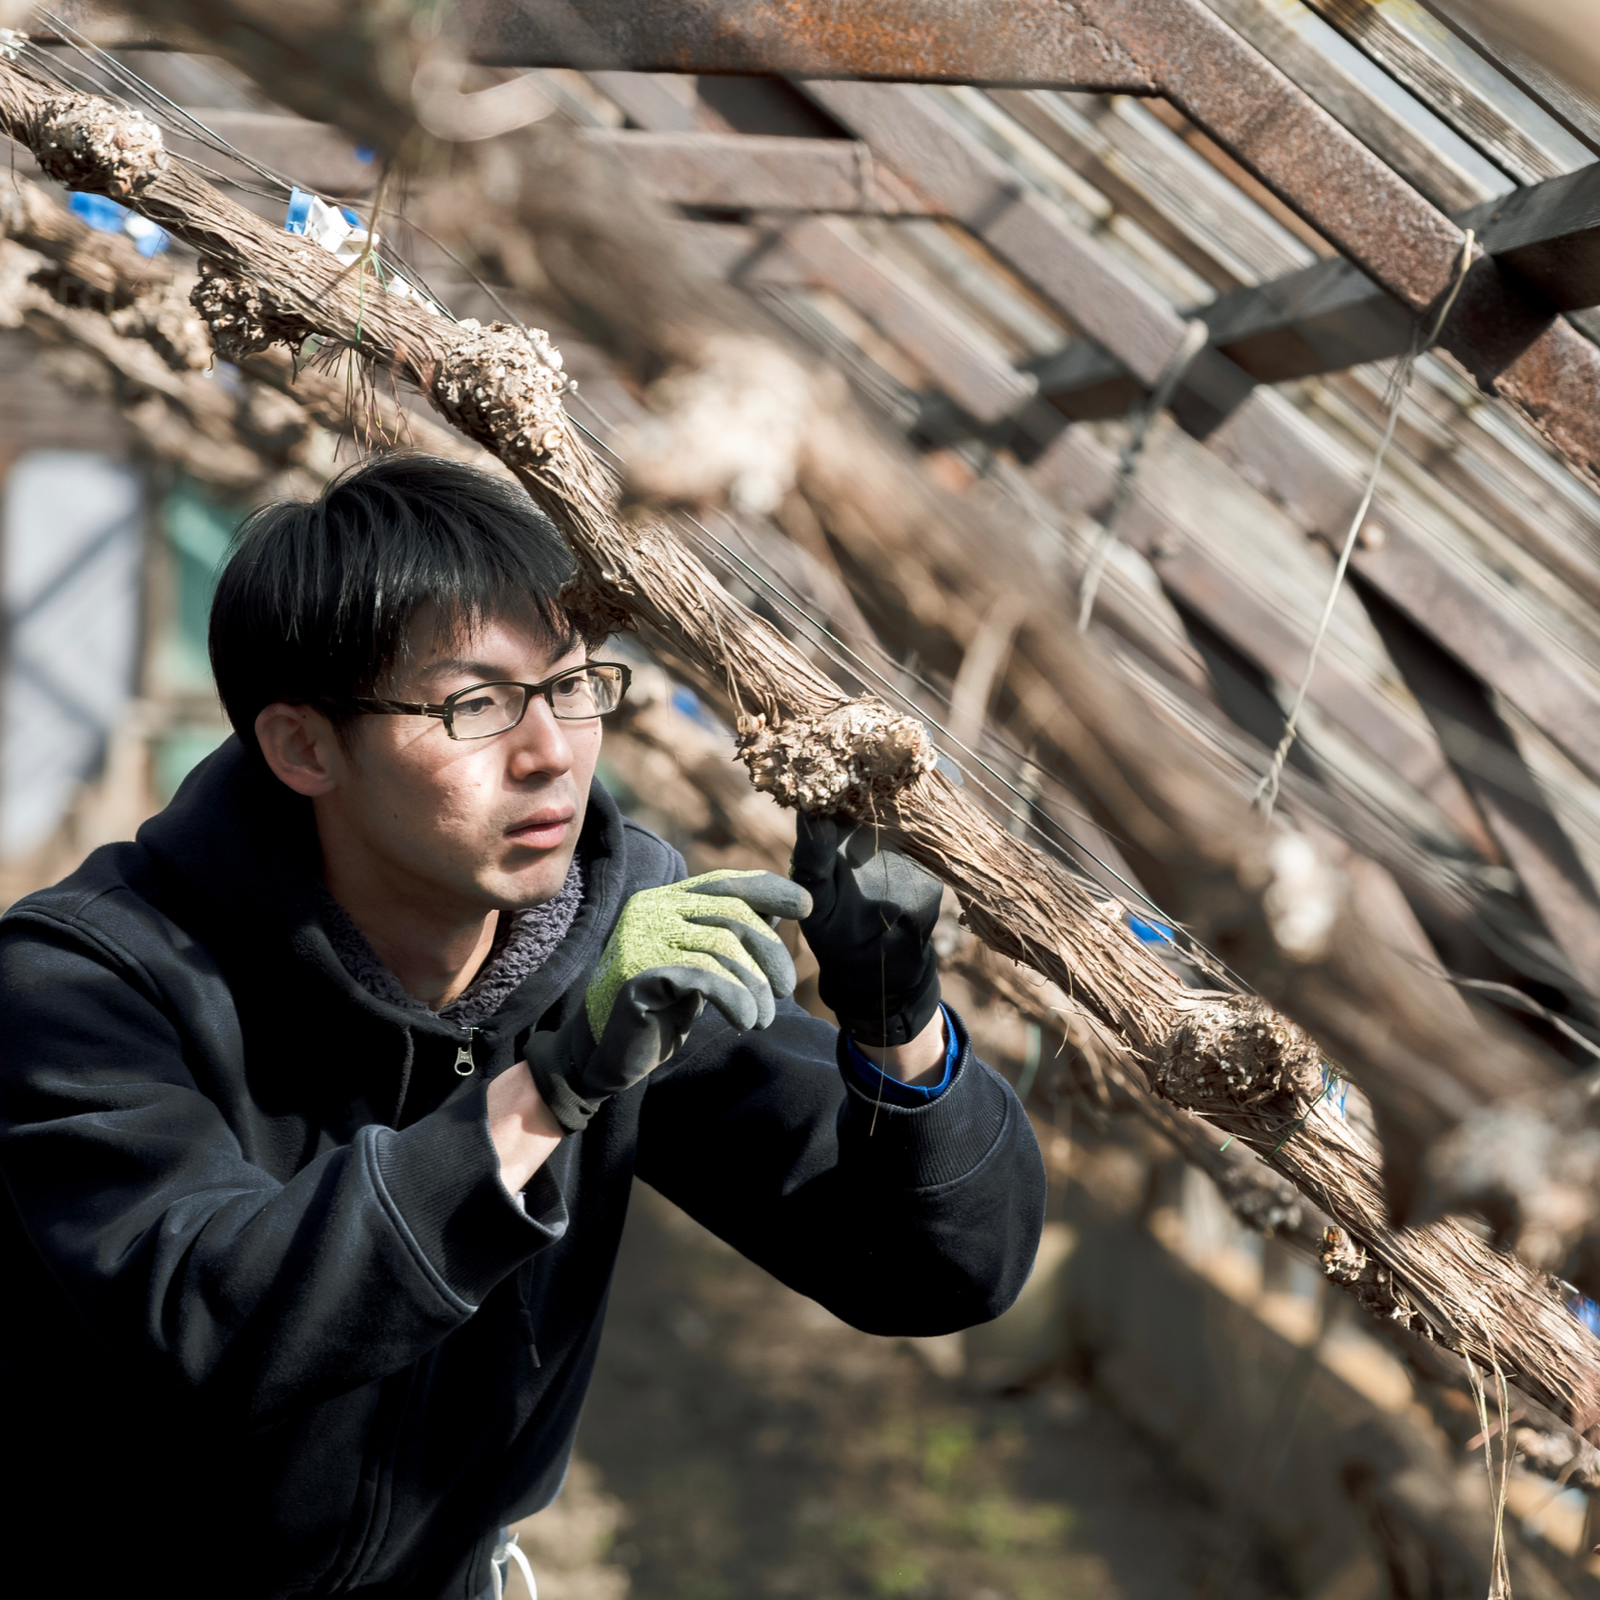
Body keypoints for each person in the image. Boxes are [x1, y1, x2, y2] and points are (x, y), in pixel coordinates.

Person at [0, 454, 1045, 1600]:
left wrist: (897, 1016)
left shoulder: (606, 938)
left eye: (574, 685)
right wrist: (546, 1093)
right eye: (475, 705)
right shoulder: (90, 979)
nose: (549, 750)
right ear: (303, 747)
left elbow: (937, 1272)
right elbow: (216, 1319)